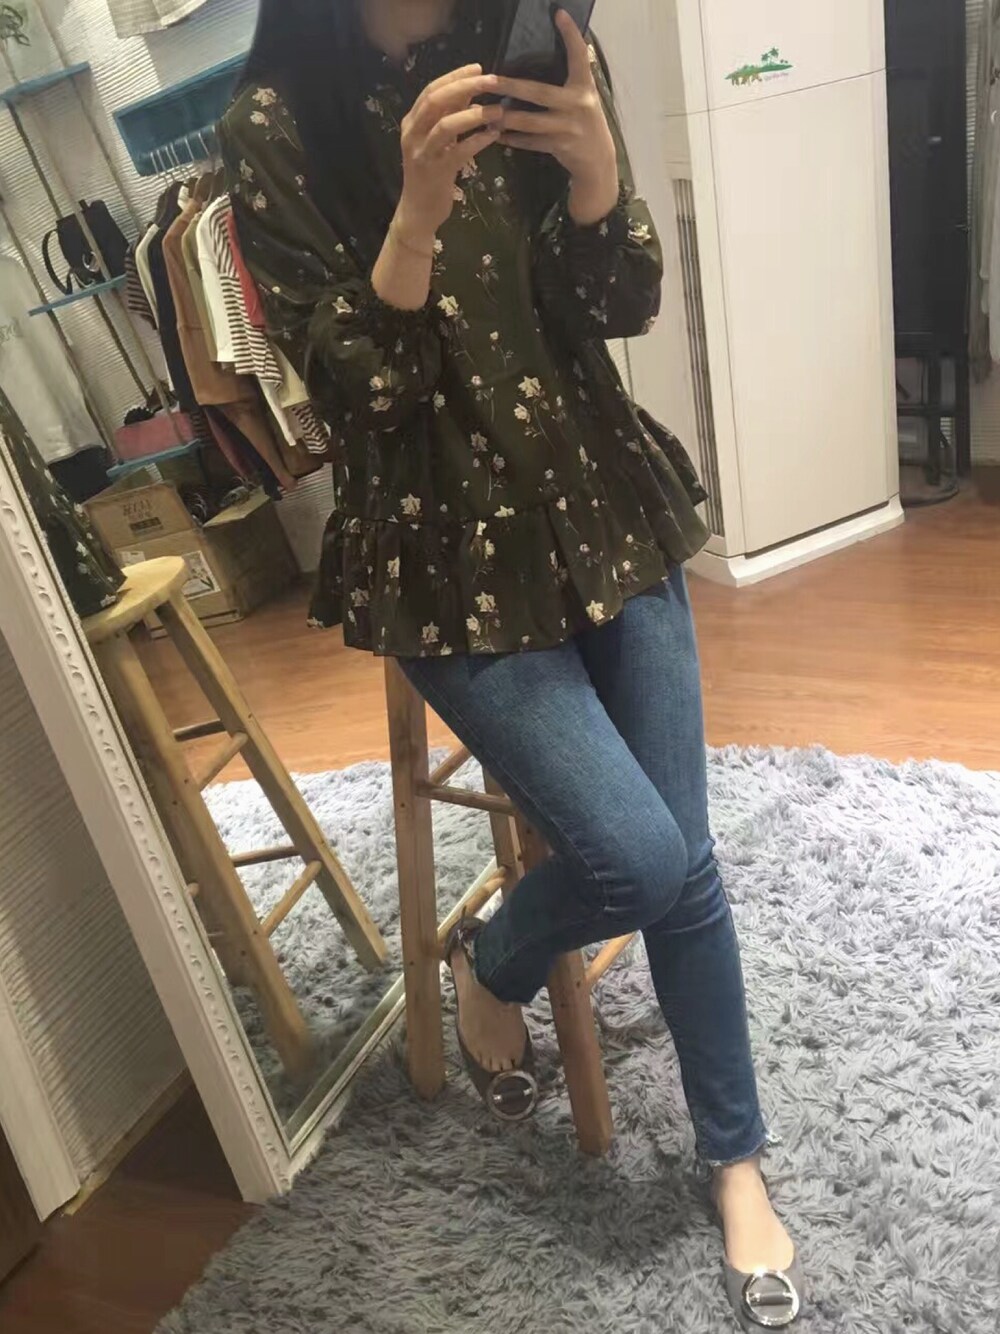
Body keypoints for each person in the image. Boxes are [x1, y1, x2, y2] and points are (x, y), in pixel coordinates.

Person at [221, 1, 803, 1325]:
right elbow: (356, 395)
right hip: (444, 562)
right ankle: (494, 961)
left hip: (603, 502)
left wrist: (595, 175)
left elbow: (621, 301)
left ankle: (734, 1157)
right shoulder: (277, 124)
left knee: (684, 861)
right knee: (643, 858)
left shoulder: (530, 41)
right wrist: (415, 217)